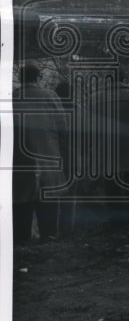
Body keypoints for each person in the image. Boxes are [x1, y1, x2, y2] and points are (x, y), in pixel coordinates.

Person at [13, 63, 68, 242]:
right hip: (49, 156)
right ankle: (48, 236)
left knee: (21, 201)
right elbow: (63, 128)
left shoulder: (11, 98)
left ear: (21, 78)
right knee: (48, 198)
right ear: (38, 77)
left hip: (19, 160)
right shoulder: (49, 95)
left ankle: (22, 240)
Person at [92, 73, 129, 223]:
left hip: (106, 144)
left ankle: (115, 218)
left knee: (111, 183)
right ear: (123, 79)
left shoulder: (95, 98)